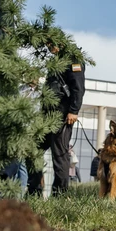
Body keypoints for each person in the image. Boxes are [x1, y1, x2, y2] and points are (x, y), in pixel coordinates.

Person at [27, 50, 85, 196]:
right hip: (47, 115)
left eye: (51, 44)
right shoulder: (57, 60)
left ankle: (59, 194)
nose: (48, 47)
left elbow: (78, 87)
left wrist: (74, 110)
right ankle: (34, 190)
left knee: (59, 155)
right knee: (33, 149)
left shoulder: (73, 59)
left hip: (62, 115)